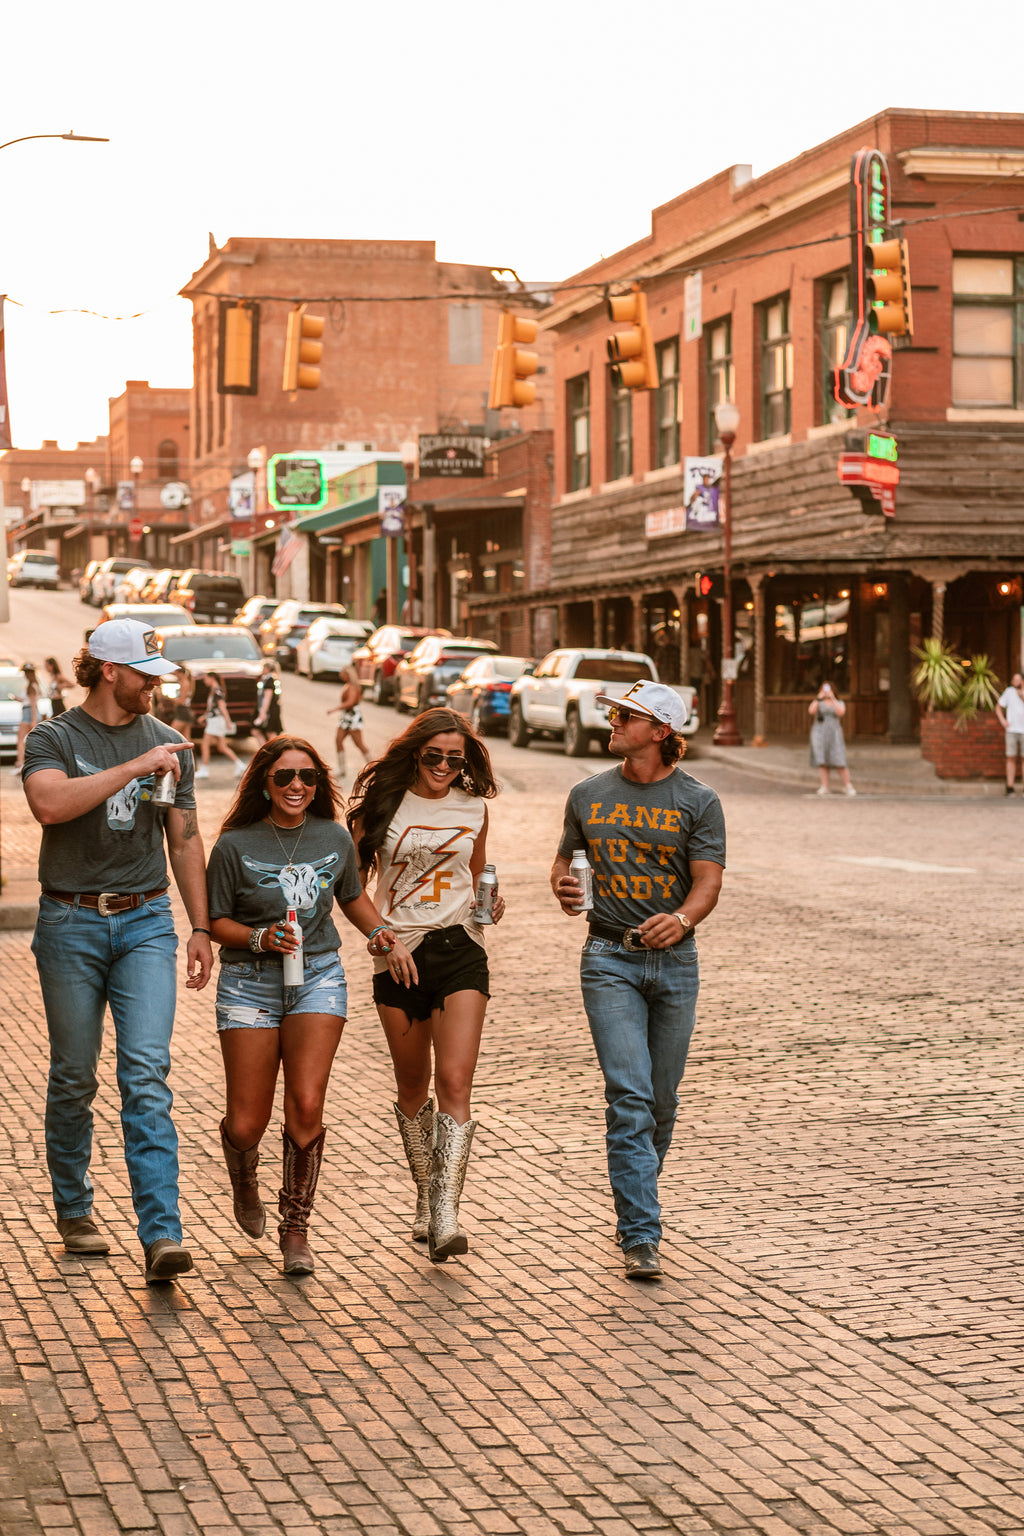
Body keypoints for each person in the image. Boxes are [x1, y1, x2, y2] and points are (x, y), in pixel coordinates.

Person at [21, 618, 213, 1284]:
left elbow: (184, 841)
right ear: (109, 671)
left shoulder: (170, 743)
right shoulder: (55, 737)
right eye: (145, 675)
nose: (154, 686)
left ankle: (162, 1233)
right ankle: (74, 1210)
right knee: (75, 1075)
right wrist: (133, 767)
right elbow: (49, 805)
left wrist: (201, 926)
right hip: (69, 922)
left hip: (146, 922)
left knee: (145, 1074)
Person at [206, 736, 414, 1275]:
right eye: (284, 777)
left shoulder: (333, 836)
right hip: (249, 982)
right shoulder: (234, 844)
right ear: (264, 783)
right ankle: (245, 1177)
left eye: (307, 777)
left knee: (305, 1100)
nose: (297, 785)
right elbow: (215, 920)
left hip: (318, 976)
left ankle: (295, 1226)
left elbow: (351, 897)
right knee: (247, 1122)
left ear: (318, 784)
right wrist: (259, 938)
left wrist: (383, 935)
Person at [550, 679, 725, 1282]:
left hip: (676, 964)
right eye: (616, 713)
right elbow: (566, 860)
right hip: (608, 958)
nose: (614, 722)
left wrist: (682, 919)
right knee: (630, 1098)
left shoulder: (698, 801)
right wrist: (564, 886)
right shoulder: (587, 793)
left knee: (662, 1101)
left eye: (628, 716)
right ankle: (641, 1233)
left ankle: (637, 1193)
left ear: (661, 732)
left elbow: (707, 882)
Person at [346, 708, 504, 1262]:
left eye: (453, 758)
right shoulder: (381, 809)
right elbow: (351, 889)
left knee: (456, 1081)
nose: (442, 765)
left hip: (461, 949)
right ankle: (423, 1194)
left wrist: (491, 904)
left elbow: (480, 876)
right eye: (434, 755)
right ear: (416, 752)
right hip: (398, 957)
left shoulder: (473, 808)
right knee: (414, 1086)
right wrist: (383, 938)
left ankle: (445, 1215)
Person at [196, 670, 244, 780]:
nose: (204, 681)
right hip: (215, 720)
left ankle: (204, 769)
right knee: (222, 747)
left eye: (205, 679)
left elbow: (222, 707)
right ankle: (240, 764)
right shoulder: (215, 690)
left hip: (216, 721)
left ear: (212, 678)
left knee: (205, 744)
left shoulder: (217, 691)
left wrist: (228, 721)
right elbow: (213, 708)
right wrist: (204, 716)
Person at [809, 681, 854, 796]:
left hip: (834, 733)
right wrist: (819, 698)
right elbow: (811, 710)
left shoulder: (838, 702)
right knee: (822, 760)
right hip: (819, 732)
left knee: (839, 759)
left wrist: (832, 698)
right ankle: (825, 786)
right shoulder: (818, 702)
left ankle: (847, 785)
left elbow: (841, 712)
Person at [327, 664, 370, 778]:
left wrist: (334, 709)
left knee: (359, 743)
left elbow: (350, 702)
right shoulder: (348, 685)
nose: (341, 676)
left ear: (348, 674)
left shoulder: (352, 686)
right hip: (346, 716)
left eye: (343, 674)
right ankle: (342, 769)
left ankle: (374, 767)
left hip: (352, 716)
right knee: (338, 740)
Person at [995, 672, 1024, 796]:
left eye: (1017, 680)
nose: (1015, 682)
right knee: (1011, 757)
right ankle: (1010, 787)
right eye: (1013, 680)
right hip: (1011, 730)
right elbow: (998, 707)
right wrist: (1002, 720)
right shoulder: (1009, 692)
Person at [12, 662, 40, 774]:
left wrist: (33, 720)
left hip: (28, 712)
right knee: (30, 740)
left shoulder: (31, 686)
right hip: (30, 711)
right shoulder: (34, 685)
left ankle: (20, 763)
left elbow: (33, 703)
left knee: (20, 739)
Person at [252, 662, 283, 747]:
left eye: (264, 668)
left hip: (270, 710)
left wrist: (263, 713)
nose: (262, 670)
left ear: (268, 669)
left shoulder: (269, 679)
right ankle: (267, 750)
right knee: (261, 731)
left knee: (270, 732)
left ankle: (272, 751)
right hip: (271, 709)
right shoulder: (272, 678)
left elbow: (267, 697)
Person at [170, 667, 195, 744]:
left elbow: (181, 701)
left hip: (183, 712)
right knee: (187, 739)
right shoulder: (184, 683)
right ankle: (191, 755)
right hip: (184, 711)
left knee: (170, 734)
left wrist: (169, 698)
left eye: (176, 674)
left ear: (180, 673)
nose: (176, 676)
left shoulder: (185, 683)